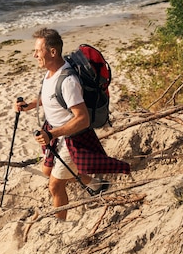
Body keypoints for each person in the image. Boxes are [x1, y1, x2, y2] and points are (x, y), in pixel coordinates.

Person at [15, 28, 130, 220]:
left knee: (55, 185)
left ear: (52, 52)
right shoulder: (51, 72)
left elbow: (82, 118)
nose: (34, 55)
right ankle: (96, 185)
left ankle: (60, 225)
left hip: (71, 139)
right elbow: (51, 96)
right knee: (46, 170)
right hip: (55, 134)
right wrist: (30, 105)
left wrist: (52, 134)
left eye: (38, 51)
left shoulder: (68, 81)